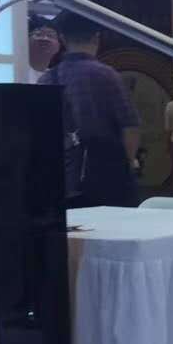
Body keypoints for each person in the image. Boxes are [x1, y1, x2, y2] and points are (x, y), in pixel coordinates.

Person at [39, 12, 140, 207]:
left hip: (64, 178)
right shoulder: (107, 75)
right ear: (96, 38)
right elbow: (130, 126)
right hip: (108, 176)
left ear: (63, 39)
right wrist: (127, 164)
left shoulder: (48, 78)